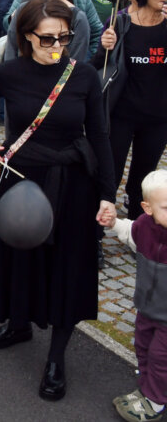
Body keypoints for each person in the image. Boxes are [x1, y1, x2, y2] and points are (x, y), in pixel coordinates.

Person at [0, 0, 115, 402]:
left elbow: (99, 137)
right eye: (46, 39)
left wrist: (108, 194)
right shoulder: (9, 73)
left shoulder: (83, 76)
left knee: (67, 265)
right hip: (21, 178)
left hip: (73, 184)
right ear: (26, 35)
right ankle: (19, 323)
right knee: (20, 256)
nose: (56, 47)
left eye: (63, 38)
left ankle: (56, 358)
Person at [95, 0, 167, 222]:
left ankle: (139, 230)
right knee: (109, 175)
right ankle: (96, 232)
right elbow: (96, 66)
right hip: (121, 115)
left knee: (143, 178)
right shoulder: (121, 23)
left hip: (158, 118)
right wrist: (105, 47)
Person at [106, 170, 167, 421]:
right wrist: (112, 223)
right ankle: (147, 386)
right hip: (146, 307)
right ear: (147, 207)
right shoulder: (144, 226)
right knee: (142, 346)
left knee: (160, 356)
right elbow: (129, 231)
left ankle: (155, 402)